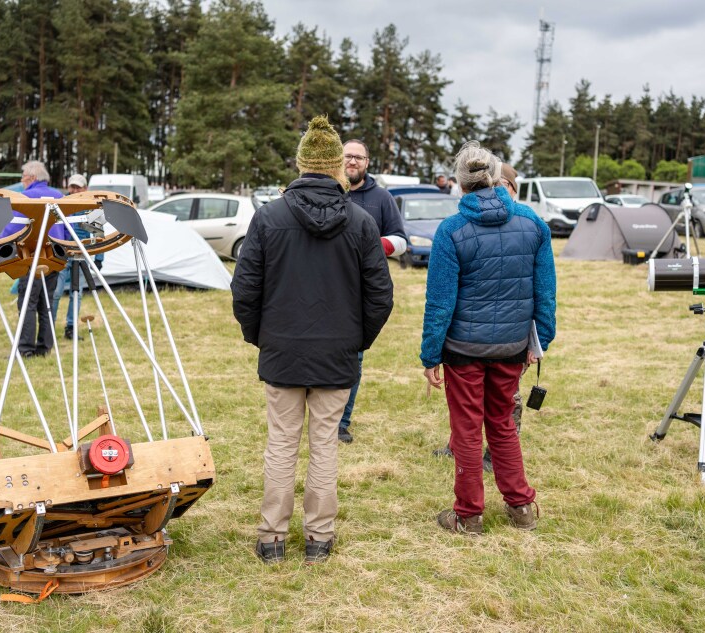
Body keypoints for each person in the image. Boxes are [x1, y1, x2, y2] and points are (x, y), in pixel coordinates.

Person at [232, 116, 394, 564]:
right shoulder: (360, 222)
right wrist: (354, 340)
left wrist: (262, 338)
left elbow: (244, 290)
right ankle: (317, 538)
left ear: (303, 164)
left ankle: (273, 539)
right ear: (337, 168)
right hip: (331, 352)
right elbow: (380, 296)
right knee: (323, 447)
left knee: (283, 445)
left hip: (289, 350)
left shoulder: (270, 218)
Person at [421, 141, 555, 534]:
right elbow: (545, 294)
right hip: (512, 345)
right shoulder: (532, 224)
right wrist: (539, 340)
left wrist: (430, 354)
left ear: (460, 184)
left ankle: (468, 514)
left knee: (466, 428)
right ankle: (521, 507)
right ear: (497, 178)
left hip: (463, 349)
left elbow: (439, 303)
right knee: (501, 423)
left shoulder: (451, 230)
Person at [432, 162, 525, 472]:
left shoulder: (526, 224)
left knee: (500, 412)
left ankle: (479, 493)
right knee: (475, 412)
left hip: (499, 341)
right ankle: (517, 502)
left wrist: (538, 342)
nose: (498, 193)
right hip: (484, 340)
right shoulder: (523, 225)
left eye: (504, 187)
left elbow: (535, 291)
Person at [339, 138, 407, 444]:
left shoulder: (381, 198)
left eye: (359, 157)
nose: (352, 162)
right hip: (324, 287)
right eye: (347, 156)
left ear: (367, 163)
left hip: (361, 293)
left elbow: (402, 241)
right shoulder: (328, 191)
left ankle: (341, 423)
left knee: (354, 357)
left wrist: (369, 244)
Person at [0, 160, 69, 358]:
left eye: (23, 177)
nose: (22, 181)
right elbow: (66, 227)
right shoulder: (59, 196)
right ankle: (45, 346)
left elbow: (14, 225)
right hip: (55, 256)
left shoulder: (26, 197)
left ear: (31, 178)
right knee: (46, 303)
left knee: (28, 302)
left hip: (32, 255)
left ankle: (25, 348)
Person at [52, 173, 93, 340]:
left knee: (77, 293)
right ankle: (49, 326)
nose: (75, 190)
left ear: (85, 188)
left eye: (78, 187)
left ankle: (71, 327)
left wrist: (99, 259)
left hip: (81, 255)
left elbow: (97, 234)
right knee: (56, 292)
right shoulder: (60, 203)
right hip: (62, 254)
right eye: (72, 187)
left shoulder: (93, 206)